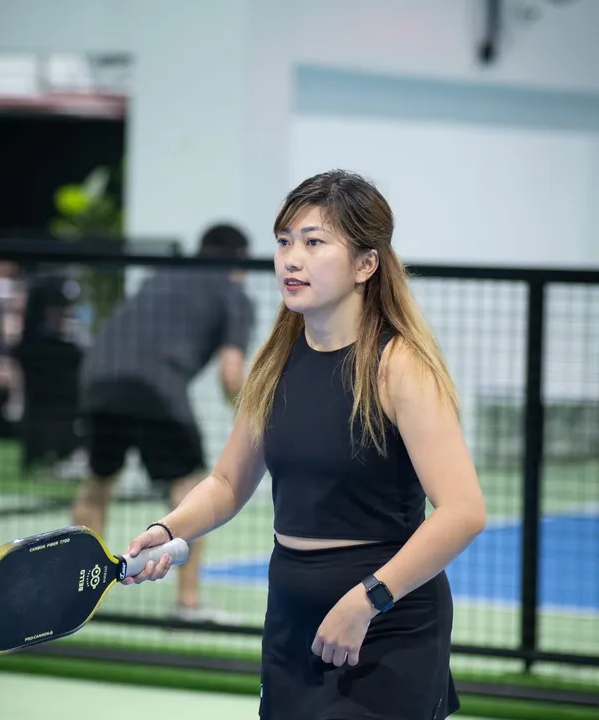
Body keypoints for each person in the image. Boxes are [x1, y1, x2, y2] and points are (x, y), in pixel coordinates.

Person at [121, 170, 487, 719]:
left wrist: (368, 600)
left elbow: (464, 512)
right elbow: (227, 483)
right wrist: (169, 529)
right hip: (291, 626)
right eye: (284, 241)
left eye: (314, 242)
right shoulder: (273, 364)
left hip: (385, 626)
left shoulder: (400, 367)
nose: (291, 259)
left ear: (365, 264)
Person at [73, 223, 255, 623]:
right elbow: (231, 373)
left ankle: (80, 598)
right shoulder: (233, 294)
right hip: (156, 387)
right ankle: (187, 604)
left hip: (98, 379)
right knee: (192, 489)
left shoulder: (162, 276)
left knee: (97, 483)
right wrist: (255, 421)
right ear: (240, 261)